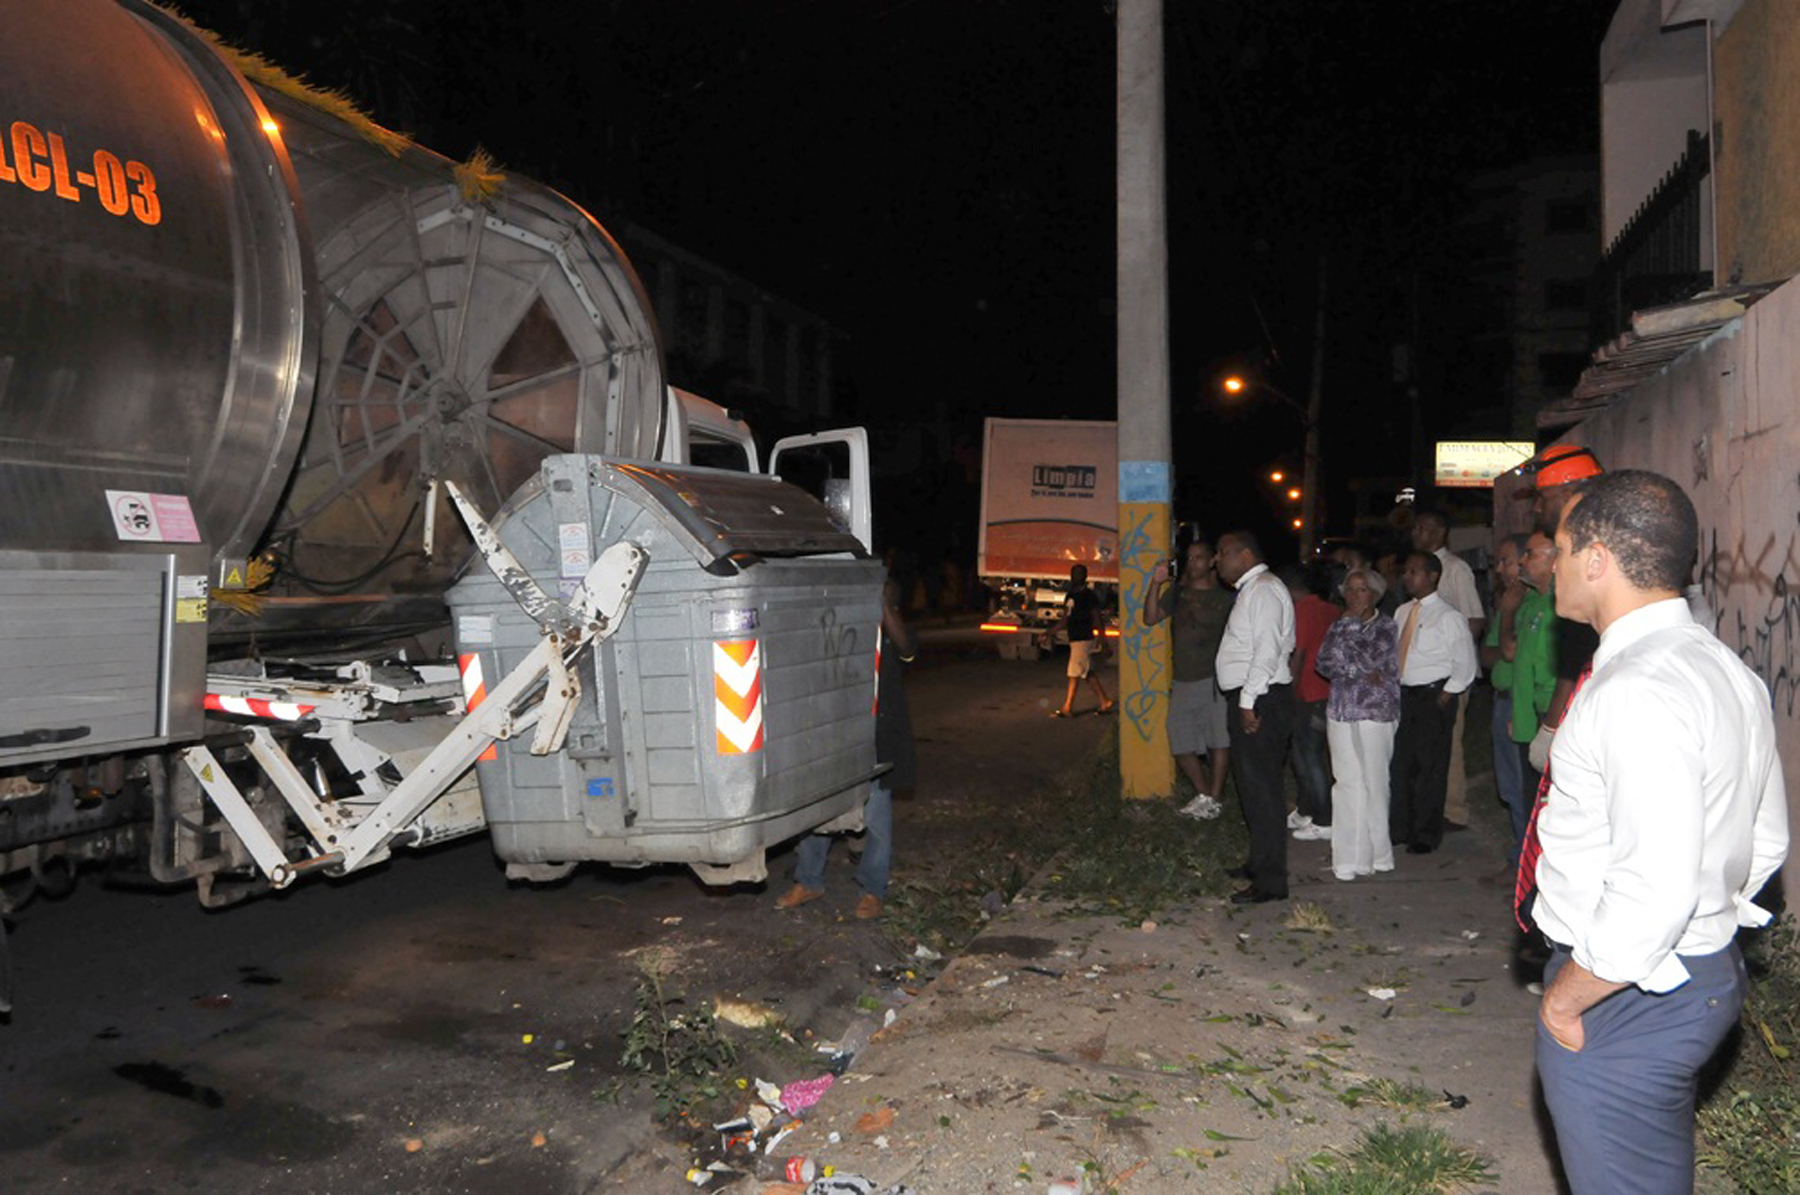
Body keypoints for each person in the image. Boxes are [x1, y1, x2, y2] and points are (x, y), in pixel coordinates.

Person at [1527, 470, 1788, 1195]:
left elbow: (1652, 893)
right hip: (1692, 972)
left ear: (1597, 560)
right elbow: (1764, 841)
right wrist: (1707, 924)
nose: (1550, 563)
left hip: (1627, 990)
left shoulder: (1635, 690)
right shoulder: (1725, 669)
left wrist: (1566, 998)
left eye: (1561, 545)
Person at [778, 579, 916, 919]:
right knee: (817, 814)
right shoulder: (838, 627)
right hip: (834, 738)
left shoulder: (887, 636)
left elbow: (909, 648)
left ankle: (873, 890)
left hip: (874, 740)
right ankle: (809, 880)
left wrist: (881, 605)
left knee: (877, 819)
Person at [1212, 531, 1296, 904]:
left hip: (1260, 698)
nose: (1217, 560)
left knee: (1263, 791)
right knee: (1252, 788)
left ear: (1244, 555)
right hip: (1256, 696)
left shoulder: (1262, 589)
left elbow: (1268, 650)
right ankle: (1258, 862)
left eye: (1222, 553)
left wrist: (1248, 701)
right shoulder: (1254, 589)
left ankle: (1271, 882)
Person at [1387, 551, 1477, 854]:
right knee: (1401, 763)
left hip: (1432, 695)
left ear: (1432, 576)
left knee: (1430, 766)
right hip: (1404, 694)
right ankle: (1400, 827)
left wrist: (1445, 695)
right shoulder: (1402, 612)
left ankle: (1425, 833)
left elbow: (1464, 662)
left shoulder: (1448, 616)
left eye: (1415, 571)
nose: (1408, 577)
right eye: (1406, 571)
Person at [1313, 567, 1399, 881]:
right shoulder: (1340, 624)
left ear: (1375, 594)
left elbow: (1375, 664)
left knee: (1375, 783)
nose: (1353, 595)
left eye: (1361, 589)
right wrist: (1353, 657)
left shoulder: (1387, 626)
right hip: (1340, 710)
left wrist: (1351, 662)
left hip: (1375, 712)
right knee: (1346, 783)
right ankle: (1349, 858)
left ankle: (1379, 855)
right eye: (1349, 589)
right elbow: (1323, 663)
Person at [1142, 538, 1233, 819]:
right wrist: (1156, 583)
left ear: (1211, 562)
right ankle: (1204, 793)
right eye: (1189, 557)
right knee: (1180, 741)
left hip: (1213, 680)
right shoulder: (1177, 593)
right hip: (1182, 680)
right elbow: (1150, 618)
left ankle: (1215, 798)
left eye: (1198, 557)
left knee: (1218, 740)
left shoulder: (1226, 598)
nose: (1192, 562)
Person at [1409, 509, 1484, 832]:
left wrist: (1458, 669)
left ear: (1441, 532)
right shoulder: (1418, 572)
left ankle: (1454, 810)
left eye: (1423, 528)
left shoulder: (1455, 568)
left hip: (1451, 675)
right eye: (1415, 529)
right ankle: (1429, 804)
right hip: (1424, 678)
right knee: (1426, 744)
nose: (1416, 534)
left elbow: (1474, 619)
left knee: (1450, 743)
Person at [1481, 533, 1531, 869]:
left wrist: (1509, 613)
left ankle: (1528, 860)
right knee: (1510, 785)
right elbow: (1487, 654)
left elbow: (1509, 650)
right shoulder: (1508, 603)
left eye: (1506, 561)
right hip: (1501, 700)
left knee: (1525, 786)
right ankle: (1521, 851)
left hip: (1522, 703)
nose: (1500, 569)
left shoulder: (1526, 604)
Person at [1278, 563, 1335, 842]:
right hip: (1328, 692)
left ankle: (1325, 819)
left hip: (1309, 693)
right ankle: (1306, 810)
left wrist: (1287, 693)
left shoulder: (1304, 609)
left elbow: (1298, 654)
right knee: (1306, 754)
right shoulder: (1329, 608)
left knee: (1309, 756)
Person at [1043, 563, 1113, 718]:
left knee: (1074, 672)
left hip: (1083, 637)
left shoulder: (1088, 595)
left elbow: (1096, 618)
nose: (1076, 577)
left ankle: (1068, 707)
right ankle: (1104, 700)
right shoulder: (1071, 595)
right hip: (1076, 638)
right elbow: (1066, 618)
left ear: (1085, 577)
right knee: (1085, 672)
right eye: (1074, 573)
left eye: (1080, 574)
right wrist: (1050, 631)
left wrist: (1103, 639)